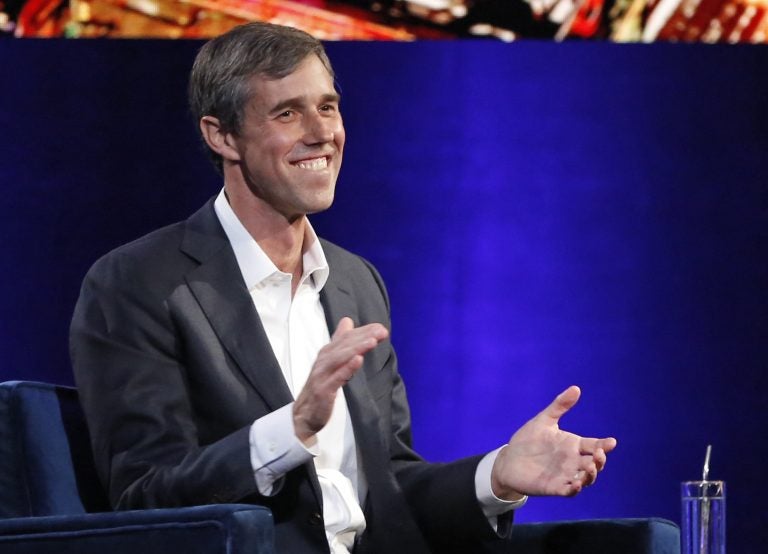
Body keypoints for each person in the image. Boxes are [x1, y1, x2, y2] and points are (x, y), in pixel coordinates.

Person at [70, 22, 617, 554]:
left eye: (327, 107)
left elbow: (391, 486)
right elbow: (145, 497)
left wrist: (497, 473)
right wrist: (291, 428)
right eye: (287, 112)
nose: (321, 133)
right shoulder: (140, 282)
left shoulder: (356, 282)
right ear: (222, 135)